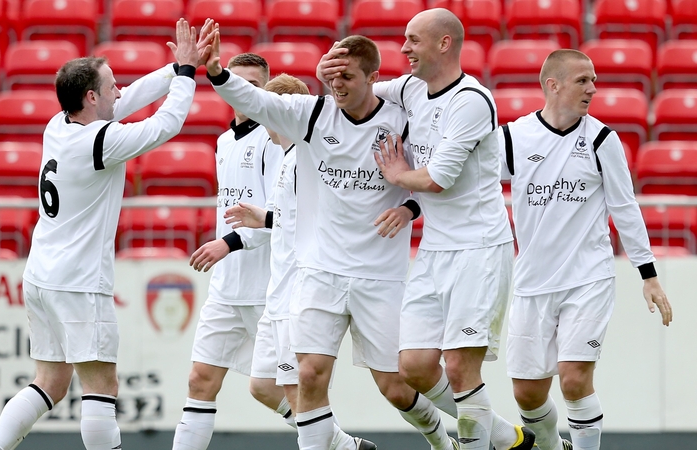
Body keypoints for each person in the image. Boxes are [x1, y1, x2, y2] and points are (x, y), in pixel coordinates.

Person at [207, 31, 460, 450]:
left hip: (379, 276)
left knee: (397, 386)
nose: (338, 84)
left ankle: (474, 431)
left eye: (348, 76)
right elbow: (258, 102)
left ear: (374, 78)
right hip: (317, 274)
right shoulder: (312, 117)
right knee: (305, 377)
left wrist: (407, 209)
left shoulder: (401, 123)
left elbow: (437, 184)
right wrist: (215, 72)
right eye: (332, 76)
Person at [0, 18, 208, 450]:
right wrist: (186, 76)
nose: (119, 91)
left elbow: (129, 99)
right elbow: (168, 124)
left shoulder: (59, 124)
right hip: (79, 282)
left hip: (42, 276)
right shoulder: (100, 142)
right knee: (102, 385)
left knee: (49, 383)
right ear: (91, 96)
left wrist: (178, 64)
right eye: (111, 86)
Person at [319, 8, 534, 450]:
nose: (403, 48)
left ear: (444, 44)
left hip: (479, 249)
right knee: (413, 366)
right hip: (435, 249)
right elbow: (363, 87)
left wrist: (397, 175)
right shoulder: (412, 88)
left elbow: (438, 177)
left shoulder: (471, 100)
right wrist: (329, 71)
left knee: (458, 368)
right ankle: (505, 437)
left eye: (413, 40)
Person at [497, 49, 672, 450]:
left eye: (594, 80)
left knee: (574, 379)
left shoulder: (602, 139)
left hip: (587, 279)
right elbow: (472, 180)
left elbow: (624, 208)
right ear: (552, 85)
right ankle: (554, 446)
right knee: (527, 393)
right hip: (532, 282)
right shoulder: (513, 137)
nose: (593, 88)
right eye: (583, 81)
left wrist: (648, 275)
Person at [225, 73, 376, 450]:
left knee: (299, 393)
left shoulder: (307, 158)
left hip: (298, 292)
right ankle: (345, 445)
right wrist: (263, 219)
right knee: (262, 386)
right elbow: (292, 218)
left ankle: (338, 446)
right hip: (277, 292)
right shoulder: (288, 159)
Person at [171, 51, 285, 450]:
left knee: (271, 389)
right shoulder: (222, 141)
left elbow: (278, 214)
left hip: (266, 287)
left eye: (253, 85)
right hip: (226, 287)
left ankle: (337, 442)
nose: (242, 92)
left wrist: (228, 243)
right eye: (235, 83)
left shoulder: (274, 137)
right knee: (200, 380)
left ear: (266, 88)